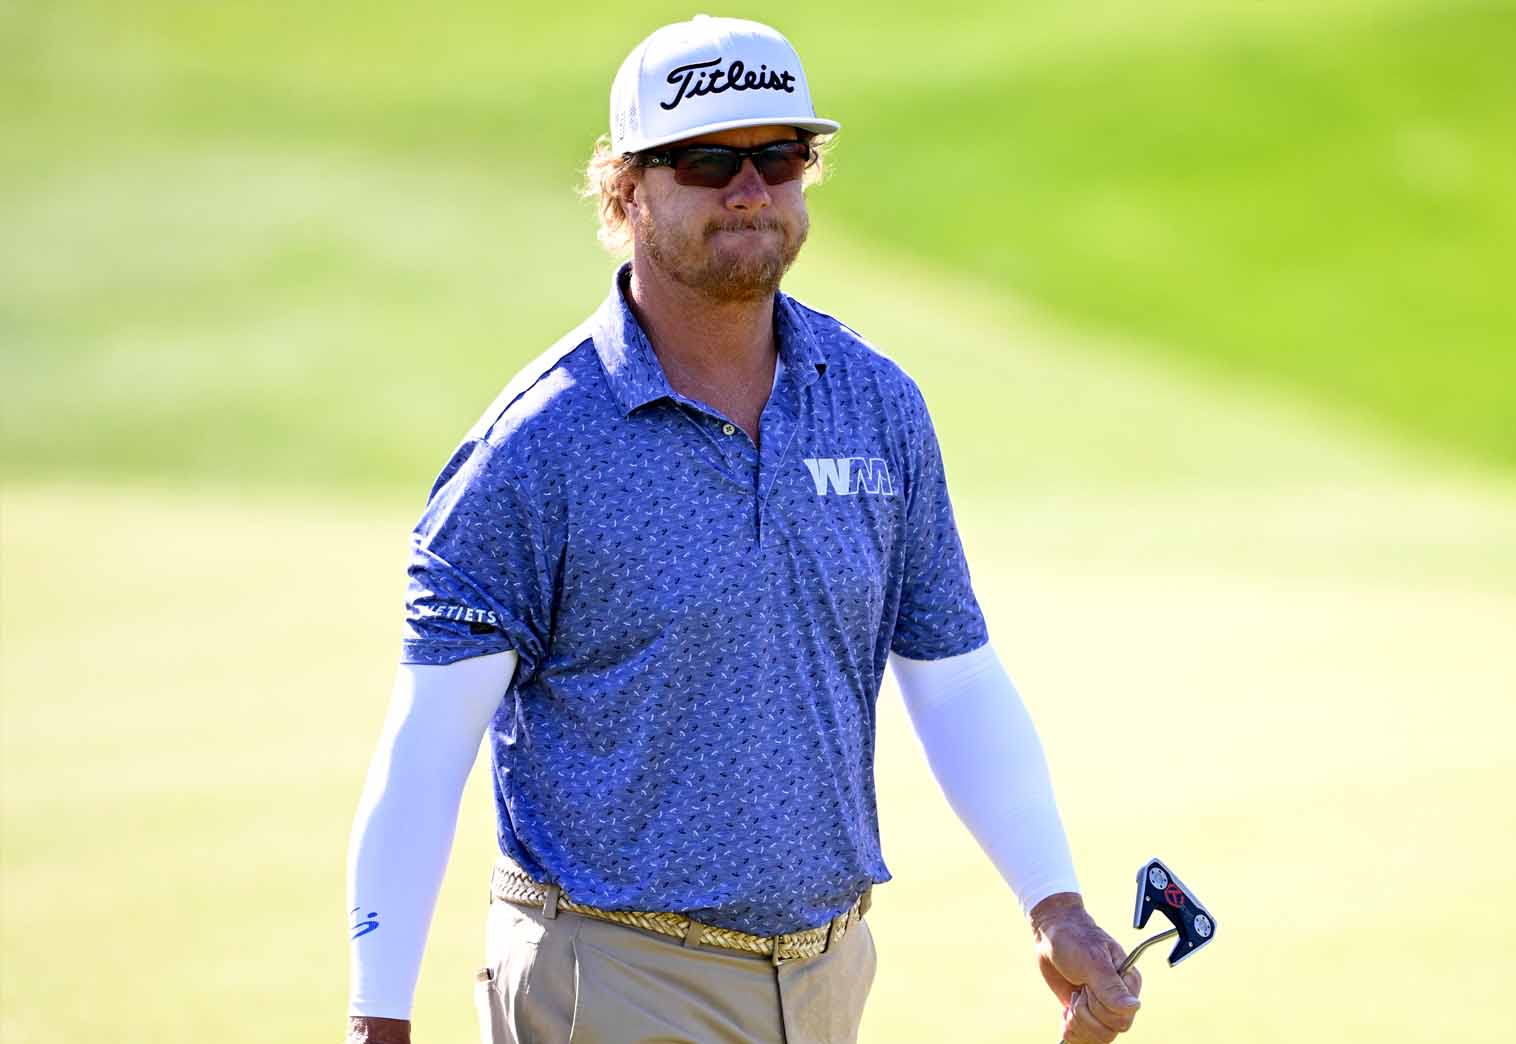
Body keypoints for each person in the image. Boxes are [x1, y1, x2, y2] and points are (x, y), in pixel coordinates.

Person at [344, 15, 1142, 1044]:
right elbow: (428, 743)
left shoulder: (873, 402)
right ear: (625, 190)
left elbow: (952, 675)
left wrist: (1053, 901)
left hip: (824, 979)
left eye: (778, 155)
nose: (749, 189)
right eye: (707, 160)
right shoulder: (535, 447)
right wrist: (378, 1019)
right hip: (610, 979)